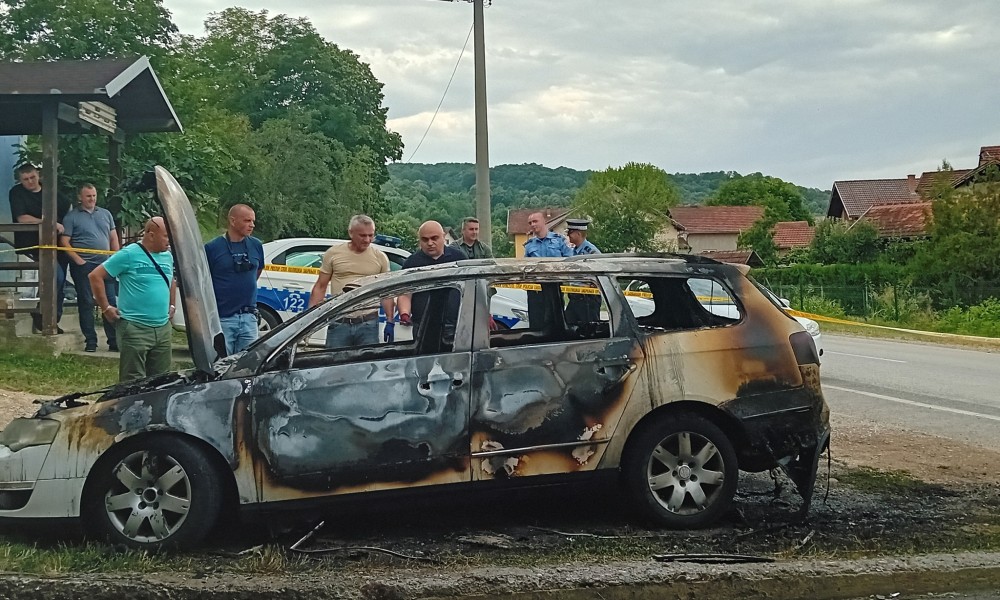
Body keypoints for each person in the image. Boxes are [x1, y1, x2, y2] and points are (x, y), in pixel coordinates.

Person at [90, 217, 177, 383]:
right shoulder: (129, 254)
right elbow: (95, 276)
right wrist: (106, 308)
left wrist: (172, 304)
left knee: (161, 381)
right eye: (166, 236)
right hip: (135, 327)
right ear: (151, 235)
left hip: (162, 328)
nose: (169, 241)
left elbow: (171, 280)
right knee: (132, 382)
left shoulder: (167, 256)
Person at [309, 215, 394, 348]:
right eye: (362, 235)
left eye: (371, 235)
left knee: (365, 367)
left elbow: (386, 292)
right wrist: (309, 321)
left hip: (368, 324)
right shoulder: (333, 253)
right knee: (334, 364)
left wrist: (390, 320)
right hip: (339, 322)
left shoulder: (380, 257)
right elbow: (320, 286)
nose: (367, 240)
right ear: (351, 233)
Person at [8, 163, 71, 333]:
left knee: (61, 283)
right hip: (34, 245)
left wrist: (66, 227)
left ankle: (48, 318)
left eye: (32, 177)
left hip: (58, 243)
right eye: (25, 179)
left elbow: (68, 206)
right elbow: (22, 218)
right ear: (20, 180)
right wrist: (49, 223)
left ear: (38, 175)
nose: (30, 181)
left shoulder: (50, 192)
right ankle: (43, 316)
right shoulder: (17, 192)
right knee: (55, 278)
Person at [59, 183, 120, 352]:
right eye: (88, 196)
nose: (92, 199)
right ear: (80, 197)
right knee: (86, 302)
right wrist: (79, 261)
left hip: (106, 265)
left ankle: (113, 341)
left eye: (94, 195)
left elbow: (113, 237)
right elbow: (64, 242)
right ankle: (90, 341)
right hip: (84, 266)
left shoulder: (106, 214)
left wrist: (116, 258)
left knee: (109, 301)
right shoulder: (71, 217)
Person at [205, 204, 264, 355]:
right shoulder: (213, 248)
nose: (252, 225)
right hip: (223, 318)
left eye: (253, 221)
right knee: (221, 364)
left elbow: (257, 270)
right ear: (232, 221)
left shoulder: (256, 245)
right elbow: (205, 280)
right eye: (247, 221)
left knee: (247, 364)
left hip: (249, 317)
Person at [397, 221, 465, 345]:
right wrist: (404, 313)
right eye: (425, 239)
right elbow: (405, 293)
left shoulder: (459, 259)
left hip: (454, 325)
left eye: (434, 238)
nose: (430, 243)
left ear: (443, 237)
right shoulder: (412, 263)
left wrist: (486, 314)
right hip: (423, 326)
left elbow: (472, 289)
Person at [563, 218, 603, 324]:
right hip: (575, 297)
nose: (568, 235)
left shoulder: (591, 252)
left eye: (570, 233)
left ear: (578, 234)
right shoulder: (575, 250)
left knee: (590, 328)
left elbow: (601, 272)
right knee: (569, 326)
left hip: (587, 299)